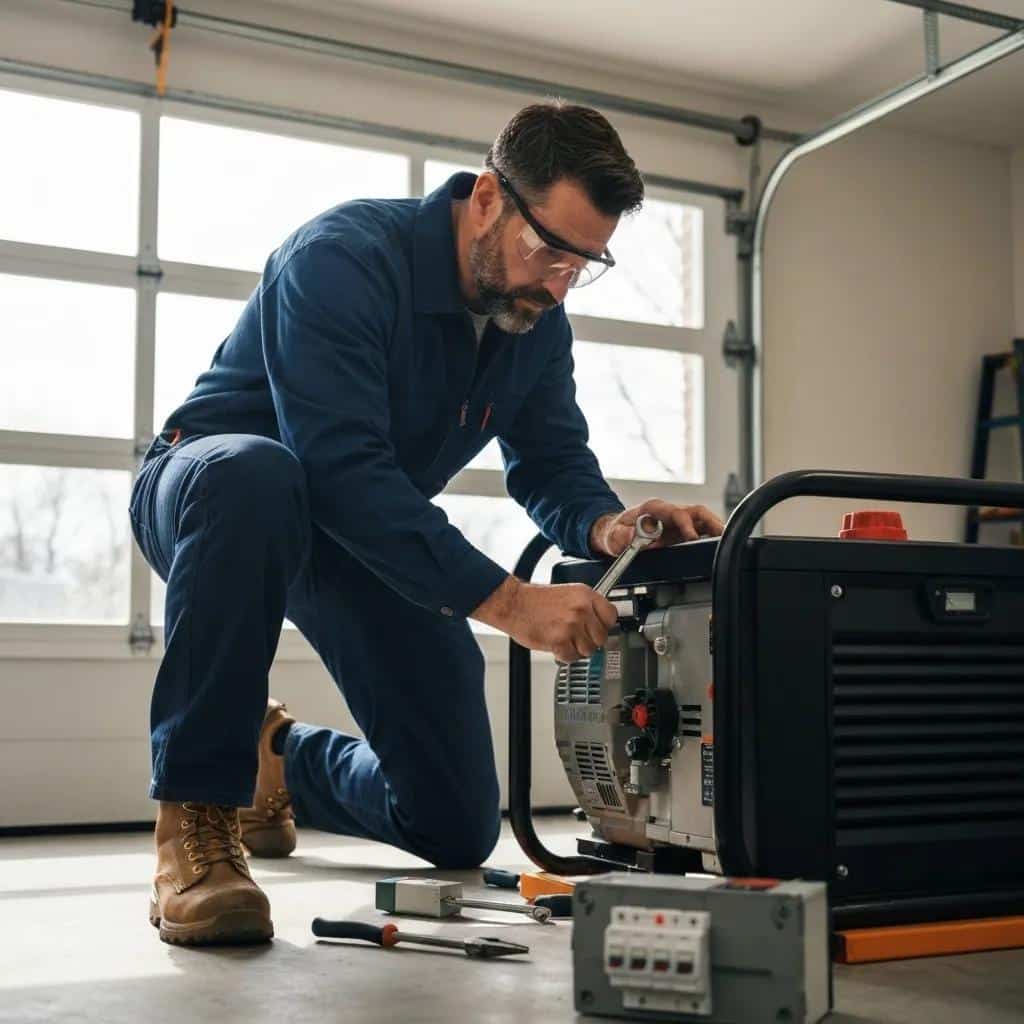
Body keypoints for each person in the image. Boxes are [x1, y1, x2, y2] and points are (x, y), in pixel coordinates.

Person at [129, 100, 724, 946]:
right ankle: (195, 827)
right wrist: (512, 605)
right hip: (212, 493)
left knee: (452, 819)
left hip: (358, 537)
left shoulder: (534, 320)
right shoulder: (338, 260)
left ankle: (280, 760)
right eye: (549, 251)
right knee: (261, 474)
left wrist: (608, 529)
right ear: (487, 197)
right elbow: (338, 469)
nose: (559, 285)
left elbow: (552, 461)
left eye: (584, 264)